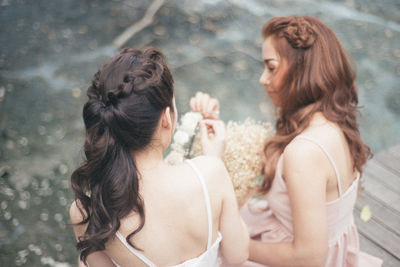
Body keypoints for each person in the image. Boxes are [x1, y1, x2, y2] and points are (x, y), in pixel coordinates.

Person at [191, 16, 382, 267]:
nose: (263, 78)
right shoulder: (334, 122)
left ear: (301, 71)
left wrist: (237, 247)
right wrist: (213, 122)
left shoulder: (304, 153)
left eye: (271, 67)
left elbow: (309, 258)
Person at [69, 47, 249, 267]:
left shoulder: (88, 212)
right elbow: (237, 256)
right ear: (166, 117)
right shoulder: (211, 174)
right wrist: (215, 161)